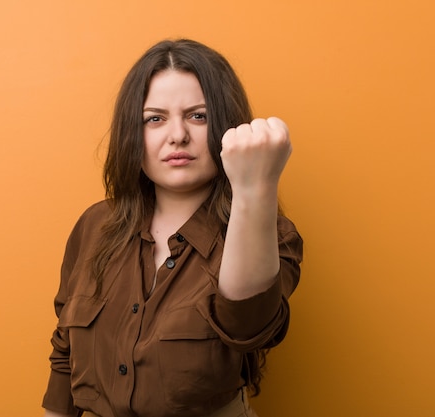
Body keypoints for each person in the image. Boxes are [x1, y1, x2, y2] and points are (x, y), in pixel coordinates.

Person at [42, 38, 303, 417]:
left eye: (198, 116)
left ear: (227, 128)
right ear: (134, 132)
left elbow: (249, 326)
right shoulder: (94, 226)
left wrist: (254, 187)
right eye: (155, 118)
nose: (177, 135)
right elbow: (64, 355)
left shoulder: (271, 233)